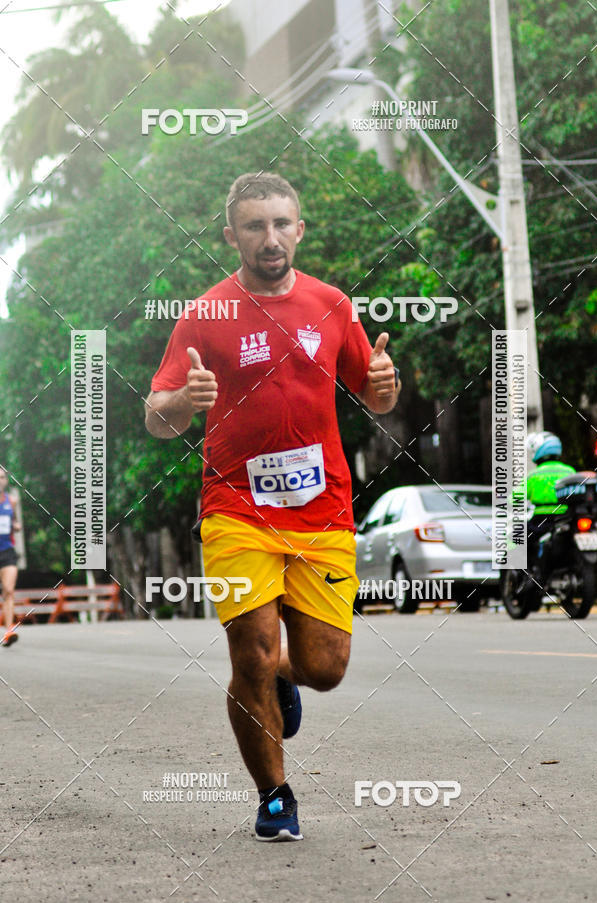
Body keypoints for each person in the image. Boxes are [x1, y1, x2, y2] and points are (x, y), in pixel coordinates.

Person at [145, 172, 400, 841]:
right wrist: (184, 401)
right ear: (231, 234)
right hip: (235, 509)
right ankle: (275, 794)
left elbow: (374, 397)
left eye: (282, 223)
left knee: (325, 667)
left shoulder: (332, 303)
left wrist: (383, 386)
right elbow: (157, 416)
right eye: (255, 225)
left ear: (300, 229)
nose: (270, 237)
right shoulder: (205, 313)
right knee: (252, 654)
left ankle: (290, 674)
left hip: (323, 513)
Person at [525, 431, 575, 580]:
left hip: (542, 520)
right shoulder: (569, 471)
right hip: (566, 518)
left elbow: (515, 497)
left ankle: (530, 575)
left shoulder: (534, 475)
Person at [0, 467, 22, 647]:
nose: (0, 481)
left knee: (8, 590)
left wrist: (16, 525)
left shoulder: (11, 501)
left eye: (2, 477)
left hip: (7, 550)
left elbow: (13, 520)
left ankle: (9, 631)